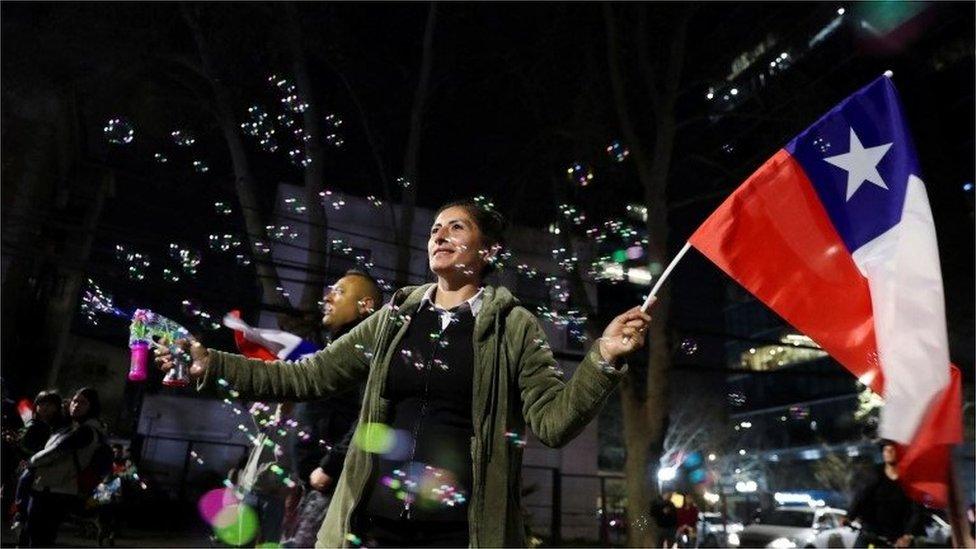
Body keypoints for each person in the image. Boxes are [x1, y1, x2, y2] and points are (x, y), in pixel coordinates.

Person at [159, 198, 653, 547]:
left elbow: (553, 423)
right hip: (371, 525)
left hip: (460, 533)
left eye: (457, 227)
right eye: (436, 227)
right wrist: (212, 363)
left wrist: (602, 359)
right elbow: (305, 376)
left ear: (490, 253)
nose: (440, 234)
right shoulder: (395, 317)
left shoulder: (515, 327)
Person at [283, 271, 381, 548]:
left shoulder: (364, 352)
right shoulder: (335, 349)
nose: (327, 297)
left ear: (365, 305)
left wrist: (329, 466)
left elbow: (370, 416)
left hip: (334, 487)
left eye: (339, 291)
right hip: (312, 486)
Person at [22, 387, 105, 547]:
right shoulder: (72, 426)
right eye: (75, 401)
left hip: (54, 490)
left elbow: (55, 452)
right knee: (40, 537)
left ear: (92, 407)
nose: (76, 405)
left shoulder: (85, 431)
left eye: (83, 403)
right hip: (52, 487)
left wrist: (31, 461)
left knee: (39, 537)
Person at [846, 440, 923, 548]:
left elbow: (916, 511)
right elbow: (861, 497)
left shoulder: (909, 480)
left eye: (892, 450)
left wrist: (907, 536)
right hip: (872, 533)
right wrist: (849, 516)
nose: (888, 452)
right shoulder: (874, 475)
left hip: (896, 538)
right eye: (886, 450)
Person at [10, 390, 64, 537]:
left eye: (49, 404)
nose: (45, 407)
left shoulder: (59, 427)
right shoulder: (33, 424)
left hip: (47, 469)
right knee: (24, 481)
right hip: (31, 464)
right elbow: (23, 444)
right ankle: (19, 515)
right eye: (41, 404)